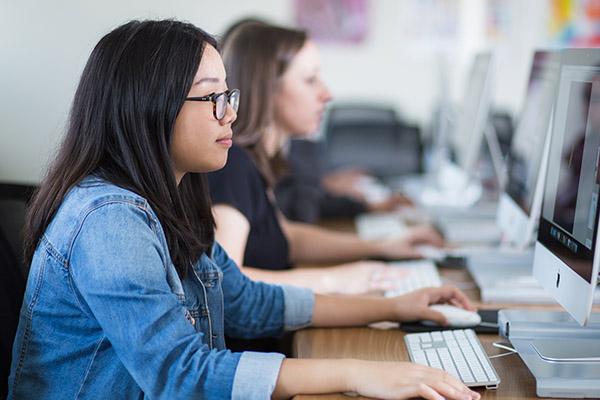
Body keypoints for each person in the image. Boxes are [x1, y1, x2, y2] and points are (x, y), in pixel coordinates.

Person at [8, 20, 479, 400]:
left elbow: (246, 301)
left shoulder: (174, 199)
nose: (230, 112)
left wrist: (393, 306)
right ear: (150, 107)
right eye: (212, 97)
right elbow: (182, 377)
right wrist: (359, 373)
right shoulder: (109, 220)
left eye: (227, 95)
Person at [208, 21, 444, 294]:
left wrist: (383, 247)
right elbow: (225, 283)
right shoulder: (233, 166)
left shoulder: (257, 162)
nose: (326, 94)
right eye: (310, 81)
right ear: (268, 90)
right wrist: (337, 281)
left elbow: (289, 237)